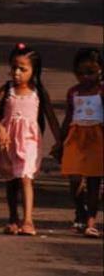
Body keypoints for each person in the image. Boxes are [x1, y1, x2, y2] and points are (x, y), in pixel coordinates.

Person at [0, 43, 61, 236]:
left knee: (26, 177)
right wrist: (0, 128)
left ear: (33, 70)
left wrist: (61, 141)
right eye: (14, 67)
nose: (17, 73)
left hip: (29, 140)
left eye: (23, 69)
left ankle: (28, 220)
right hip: (8, 141)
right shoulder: (7, 89)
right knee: (12, 180)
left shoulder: (38, 92)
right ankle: (13, 219)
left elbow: (51, 118)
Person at [59, 47, 103, 238]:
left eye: (91, 72)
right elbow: (68, 117)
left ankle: (91, 221)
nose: (85, 77)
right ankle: (80, 211)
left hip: (97, 138)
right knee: (75, 178)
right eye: (81, 73)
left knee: (94, 181)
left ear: (100, 70)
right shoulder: (73, 92)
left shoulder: (102, 91)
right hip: (76, 138)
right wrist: (60, 141)